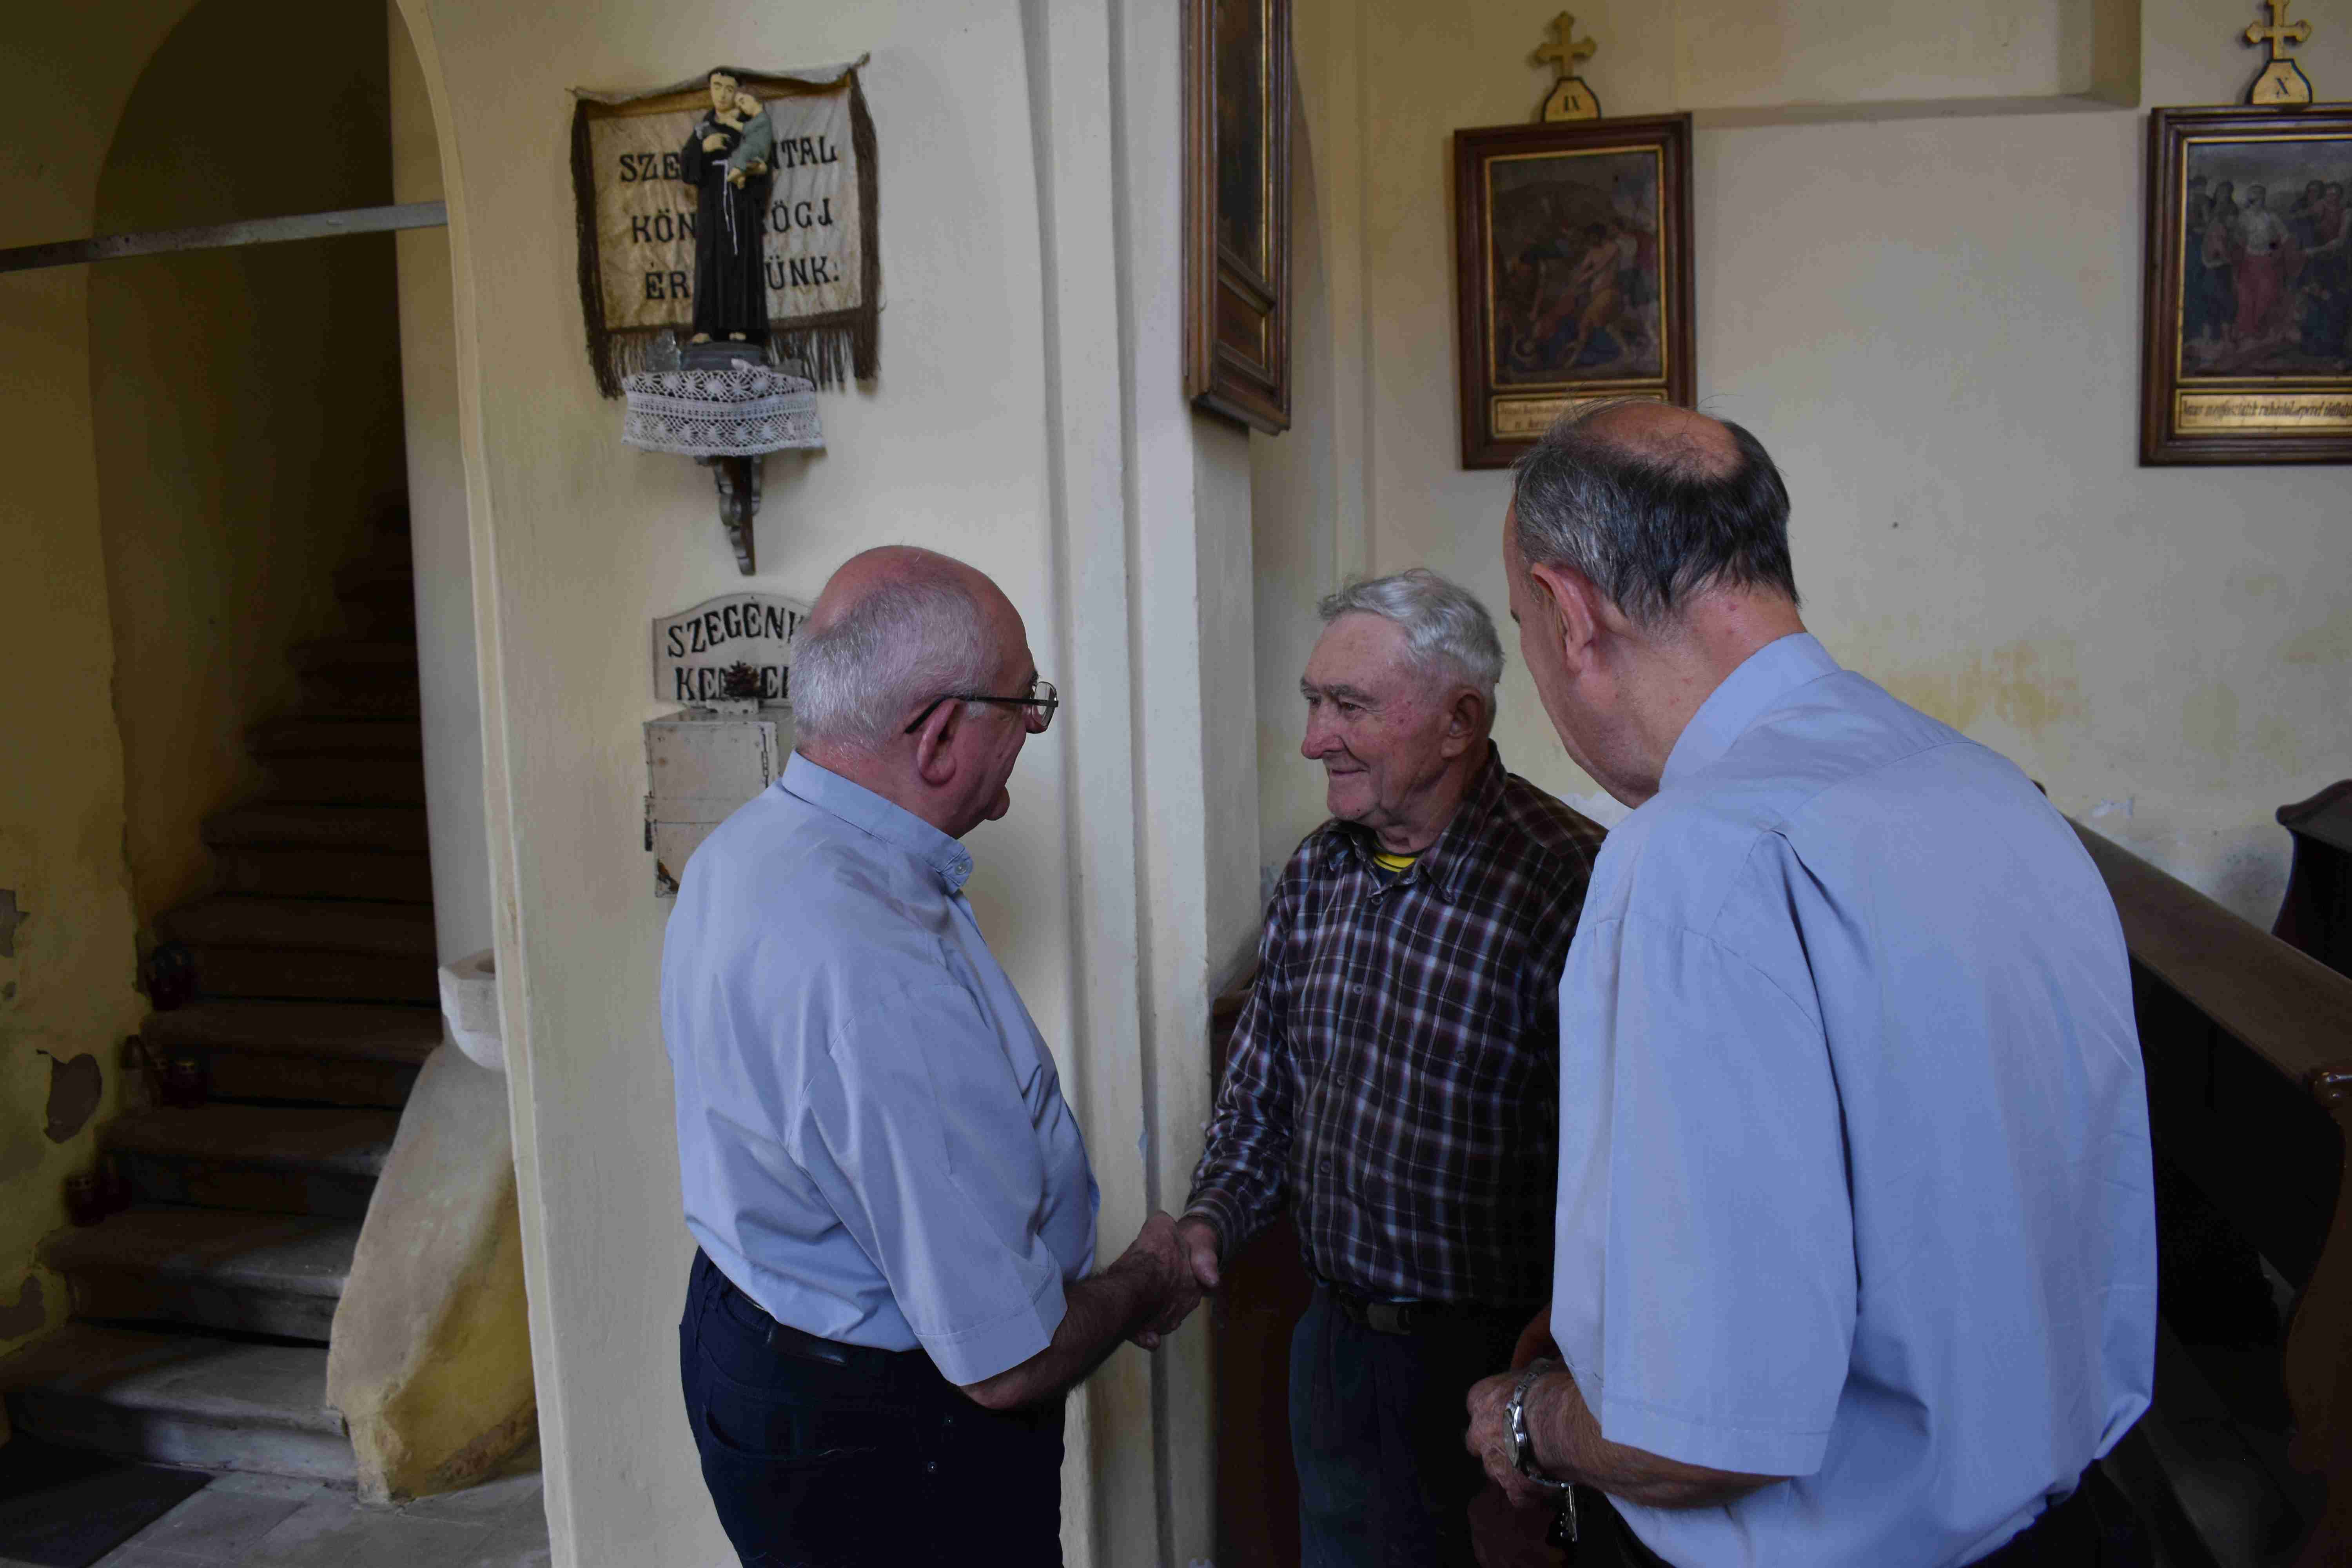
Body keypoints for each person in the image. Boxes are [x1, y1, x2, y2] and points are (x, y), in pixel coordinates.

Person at [1464, 403, 2156, 1567]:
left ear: (1569, 612)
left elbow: (1698, 1428)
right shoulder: (1986, 787)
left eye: (1523, 630)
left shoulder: (1697, 856)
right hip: (2071, 1522)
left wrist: (1530, 1423)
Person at [663, 546, 1201, 1567]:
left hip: (755, 1336)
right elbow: (1005, 1363)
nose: (1033, 728)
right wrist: (1147, 1274)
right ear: (943, 734)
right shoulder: (875, 971)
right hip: (884, 1440)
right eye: (1026, 704)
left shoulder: (749, 847)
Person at [1181, 569, 1608, 1567]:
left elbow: (1625, 1167)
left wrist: (1556, 1373)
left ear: (1460, 721)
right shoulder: (1318, 871)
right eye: (1314, 702)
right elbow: (1262, 1095)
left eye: (1350, 705)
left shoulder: (1569, 882)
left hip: (1513, 1365)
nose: (1314, 738)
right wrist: (1208, 1221)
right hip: (1341, 1346)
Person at [678, 69, 772, 343]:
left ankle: (740, 326)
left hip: (741, 206)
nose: (722, 94)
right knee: (709, 261)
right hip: (711, 207)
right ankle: (706, 327)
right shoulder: (703, 128)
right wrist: (704, 149)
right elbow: (687, 170)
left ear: (738, 93)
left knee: (740, 261)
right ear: (710, 89)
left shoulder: (751, 126)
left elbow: (765, 162)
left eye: (729, 89)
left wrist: (751, 171)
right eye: (717, 87)